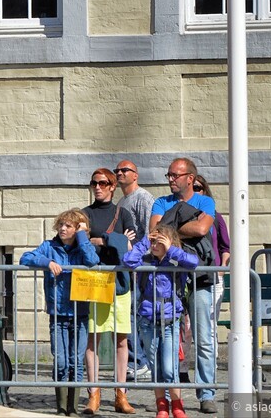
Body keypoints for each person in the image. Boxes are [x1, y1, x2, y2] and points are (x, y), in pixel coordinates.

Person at [148, 158, 217, 414]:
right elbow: (154, 233)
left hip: (199, 278)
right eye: (168, 175)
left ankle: (206, 393)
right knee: (165, 338)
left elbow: (201, 228)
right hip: (167, 280)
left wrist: (171, 229)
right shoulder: (160, 202)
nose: (170, 179)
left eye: (175, 175)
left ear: (190, 178)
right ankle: (166, 398)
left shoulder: (204, 201)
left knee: (203, 337)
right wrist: (167, 231)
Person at [20, 209, 100, 416]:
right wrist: (48, 262)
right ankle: (61, 407)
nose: (63, 229)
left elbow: (92, 260)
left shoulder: (83, 246)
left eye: (69, 226)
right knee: (62, 361)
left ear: (78, 229)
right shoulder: (50, 246)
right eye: (61, 225)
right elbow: (25, 257)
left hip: (80, 313)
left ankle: (72, 408)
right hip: (58, 313)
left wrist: (83, 236)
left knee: (76, 361)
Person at [123, 225, 198, 418]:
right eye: (154, 241)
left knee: (169, 367)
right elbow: (128, 260)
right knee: (156, 368)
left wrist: (170, 247)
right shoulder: (145, 259)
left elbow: (193, 262)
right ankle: (162, 407)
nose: (155, 245)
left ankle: (177, 406)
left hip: (170, 320)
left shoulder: (175, 260)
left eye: (159, 241)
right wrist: (144, 243)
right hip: (148, 320)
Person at [82, 168, 137, 415]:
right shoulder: (85, 213)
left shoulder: (123, 213)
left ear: (113, 186)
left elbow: (129, 246)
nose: (98, 187)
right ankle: (93, 393)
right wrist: (111, 239)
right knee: (93, 338)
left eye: (103, 183)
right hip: (94, 281)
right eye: (94, 183)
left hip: (120, 282)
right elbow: (81, 240)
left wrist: (101, 239)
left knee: (121, 340)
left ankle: (120, 394)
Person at [114, 160, 155, 381]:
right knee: (126, 316)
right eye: (117, 171)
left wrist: (136, 258)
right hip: (126, 269)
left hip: (139, 268)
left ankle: (140, 363)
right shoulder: (121, 201)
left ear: (136, 175)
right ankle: (134, 361)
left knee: (134, 316)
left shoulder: (143, 198)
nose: (120, 173)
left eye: (124, 170)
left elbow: (151, 232)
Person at [192, 175, 230, 320]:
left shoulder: (215, 217)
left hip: (213, 276)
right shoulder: (181, 216)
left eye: (197, 188)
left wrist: (221, 269)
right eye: (191, 188)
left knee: (210, 322)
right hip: (190, 277)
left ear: (204, 191)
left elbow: (225, 247)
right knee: (187, 327)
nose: (194, 191)